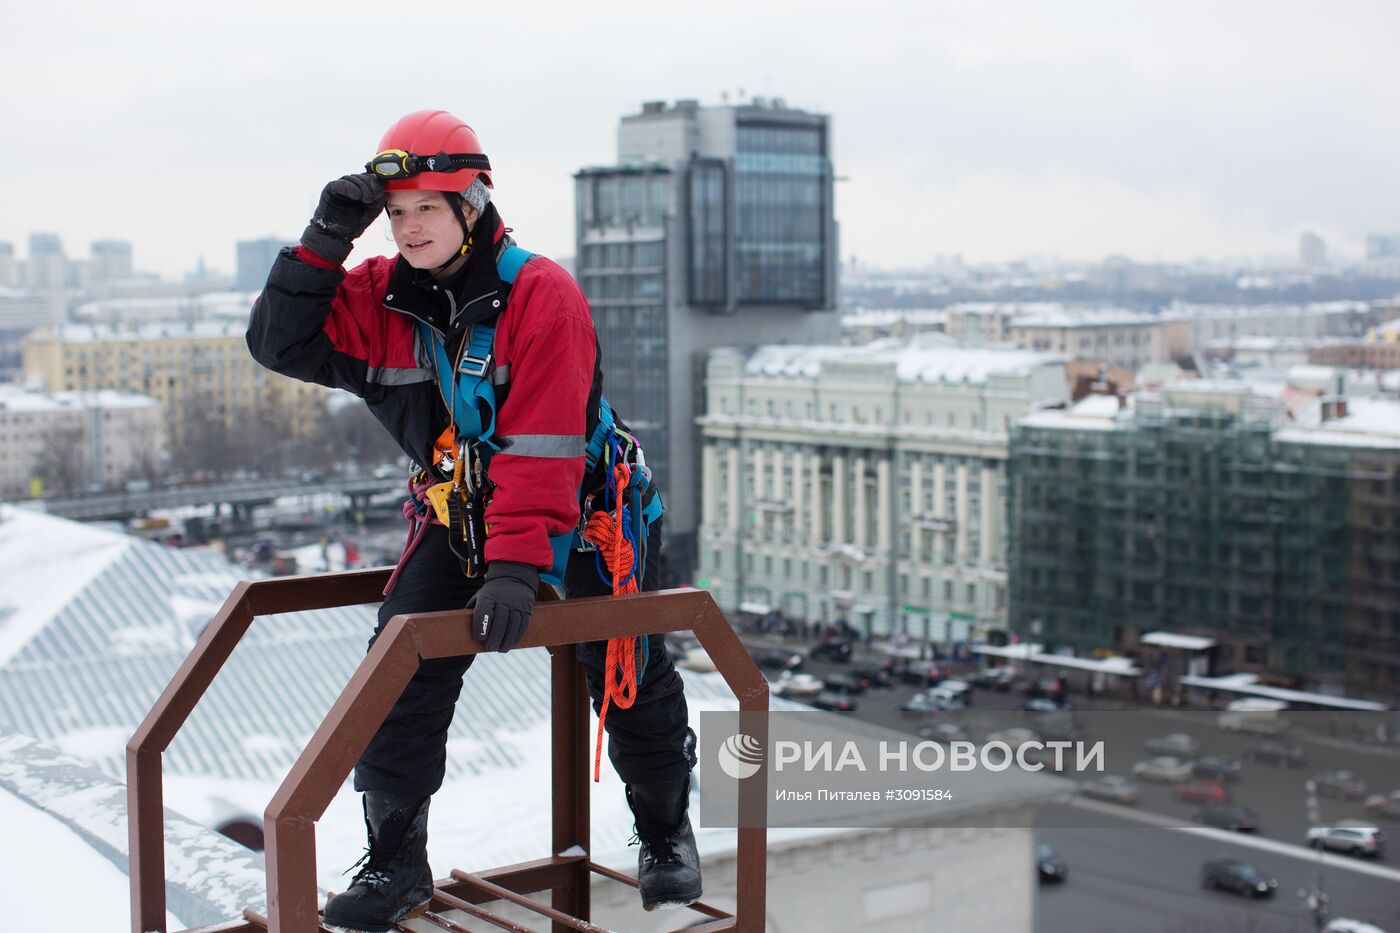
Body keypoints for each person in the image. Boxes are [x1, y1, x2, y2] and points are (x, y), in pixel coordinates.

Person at [247, 109, 700, 932]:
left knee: (625, 669)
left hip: (586, 511)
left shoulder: (541, 295)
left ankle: (666, 831)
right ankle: (395, 858)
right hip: (465, 512)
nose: (410, 227)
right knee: (400, 660)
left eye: (429, 206)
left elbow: (545, 443)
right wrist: (324, 238)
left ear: (473, 204)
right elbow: (280, 342)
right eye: (397, 211)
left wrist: (518, 567)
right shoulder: (384, 295)